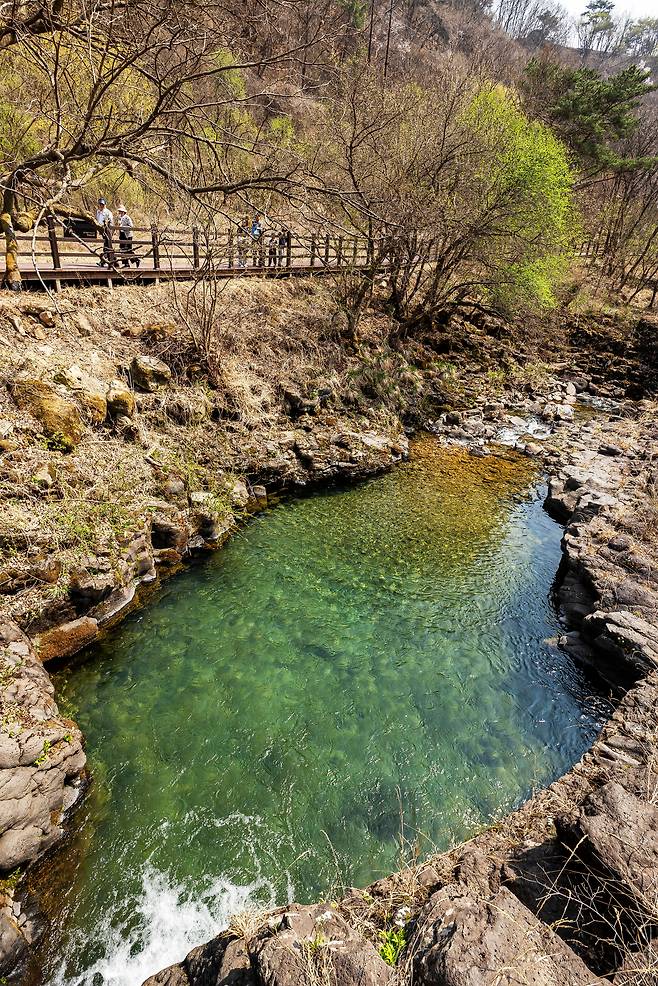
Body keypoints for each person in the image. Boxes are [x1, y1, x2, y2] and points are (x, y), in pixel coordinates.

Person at [95, 198, 114, 267]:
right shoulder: (97, 212)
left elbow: (111, 222)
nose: (101, 206)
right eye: (100, 204)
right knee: (107, 246)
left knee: (107, 245)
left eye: (102, 204)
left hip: (107, 230)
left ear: (105, 205)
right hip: (101, 230)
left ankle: (103, 261)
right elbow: (97, 220)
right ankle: (112, 260)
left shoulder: (108, 212)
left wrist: (109, 230)